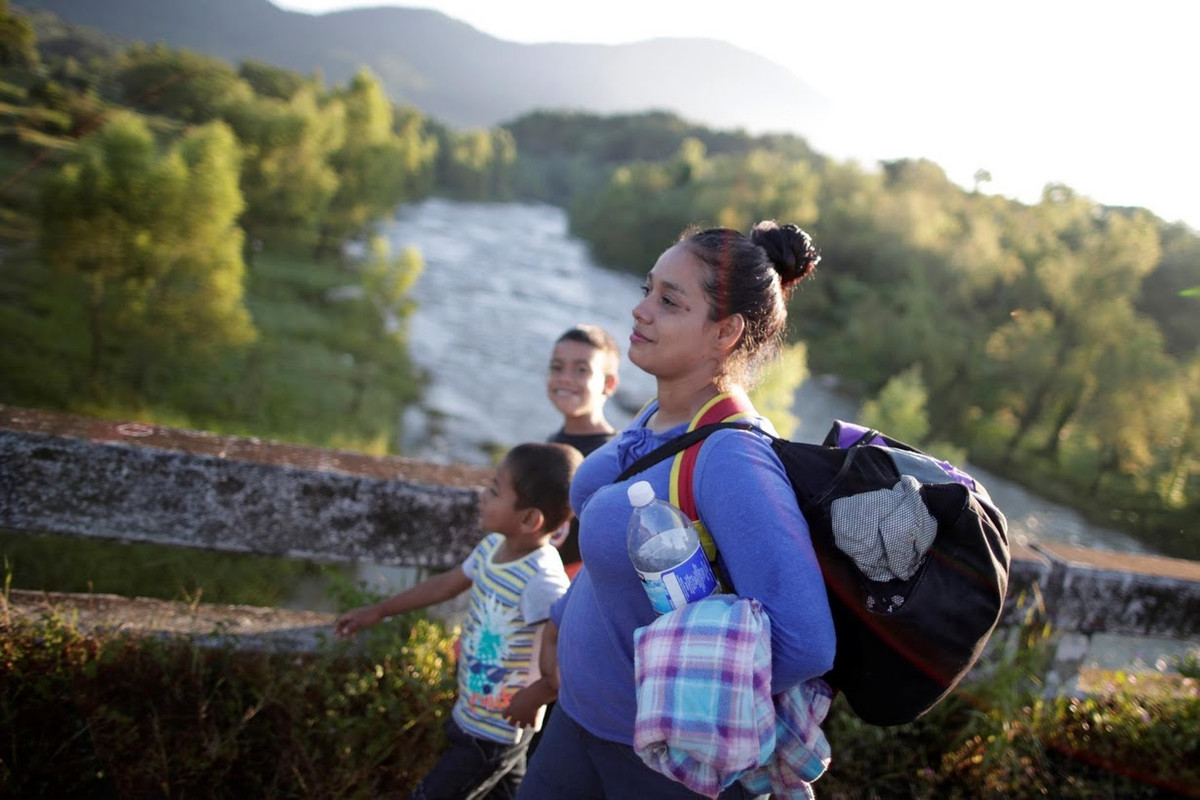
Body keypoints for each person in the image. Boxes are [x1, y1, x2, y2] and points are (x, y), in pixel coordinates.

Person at [514, 221, 838, 799]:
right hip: (578, 722)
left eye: (669, 301)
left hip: (654, 766)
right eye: (647, 290)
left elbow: (807, 640)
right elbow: (622, 557)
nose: (641, 311)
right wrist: (564, 623)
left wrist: (684, 700)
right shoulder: (661, 420)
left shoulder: (730, 457)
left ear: (725, 332)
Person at [335, 442, 584, 800]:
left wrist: (542, 692)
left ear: (530, 519)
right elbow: (445, 584)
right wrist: (379, 610)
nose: (483, 496)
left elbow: (563, 642)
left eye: (495, 491)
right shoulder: (492, 548)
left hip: (498, 730)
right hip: (471, 711)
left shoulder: (543, 580)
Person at [544, 324, 621, 579]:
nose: (565, 378)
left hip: (575, 586)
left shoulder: (613, 455)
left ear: (608, 384)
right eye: (557, 367)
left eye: (581, 370)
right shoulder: (552, 443)